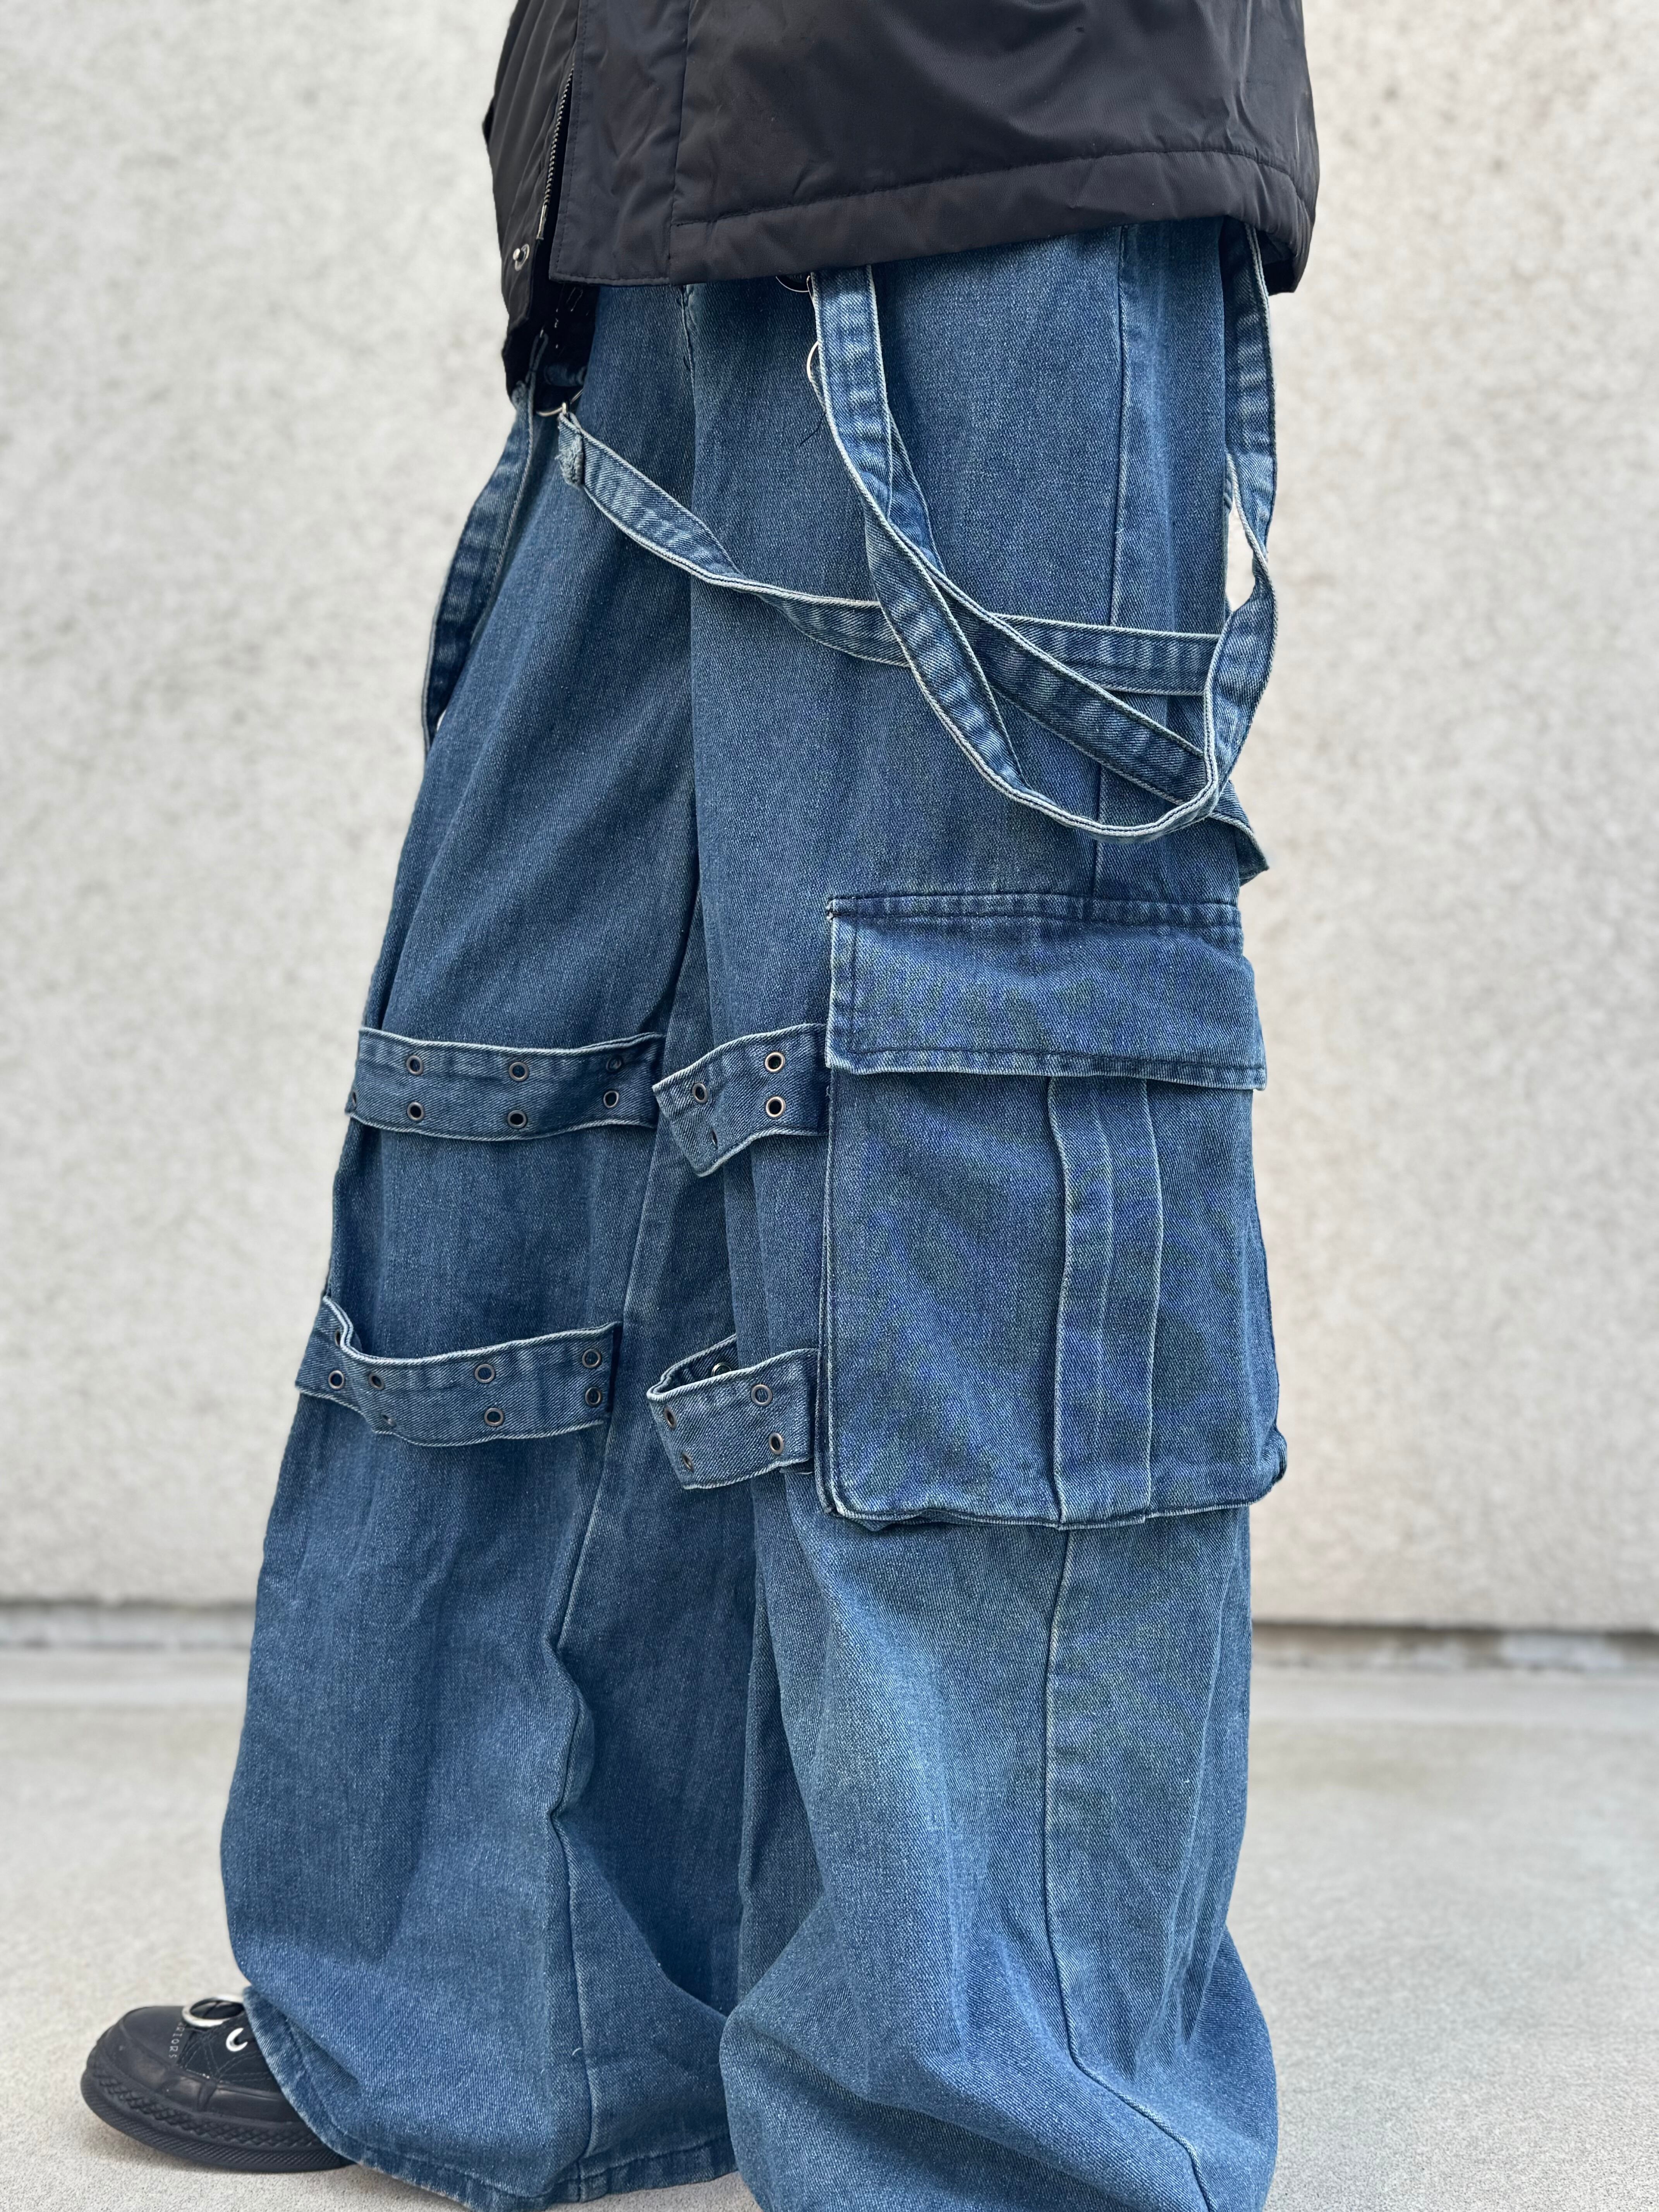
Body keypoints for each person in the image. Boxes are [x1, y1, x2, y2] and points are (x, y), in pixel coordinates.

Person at [81, 3, 1317, 2205]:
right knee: (540, 1060)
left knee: (960, 1097)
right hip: (656, 178)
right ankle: (515, 2007)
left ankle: (1007, 2125)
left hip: (991, 121)